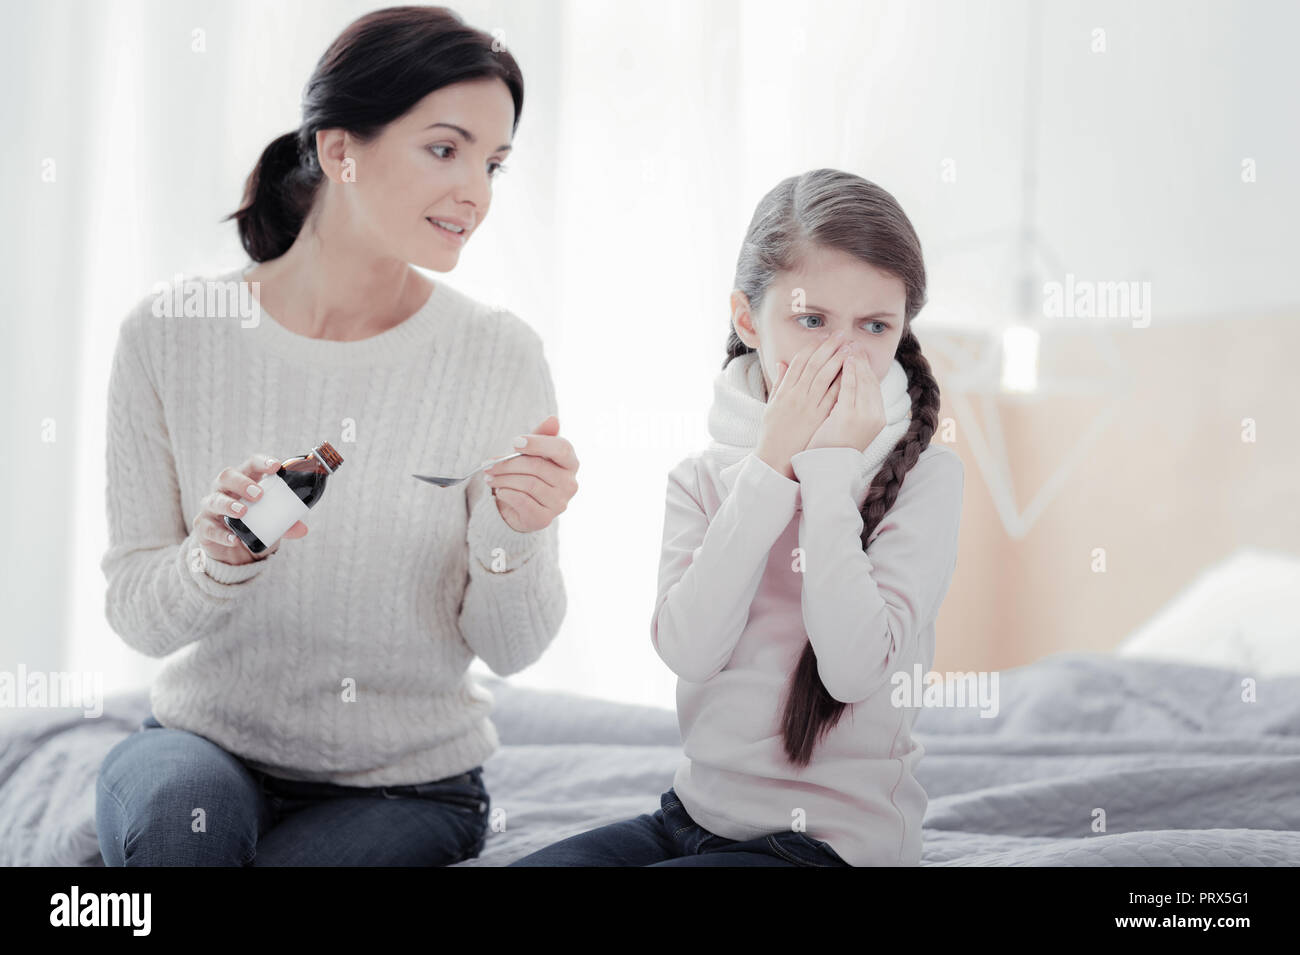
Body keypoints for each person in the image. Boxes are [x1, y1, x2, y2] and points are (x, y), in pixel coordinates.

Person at [96, 5, 578, 866]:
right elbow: (137, 613)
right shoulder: (169, 334)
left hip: (408, 785)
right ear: (339, 150)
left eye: (494, 162)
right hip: (202, 743)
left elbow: (514, 649)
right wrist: (215, 565)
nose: (477, 191)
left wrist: (515, 535)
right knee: (178, 834)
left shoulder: (500, 355)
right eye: (445, 148)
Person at [510, 168, 964, 867]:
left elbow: (851, 671)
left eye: (874, 326)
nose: (842, 354)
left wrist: (828, 471)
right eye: (811, 321)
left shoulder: (927, 479)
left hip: (828, 848)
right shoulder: (701, 478)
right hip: (693, 816)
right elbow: (690, 650)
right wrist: (771, 466)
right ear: (749, 321)